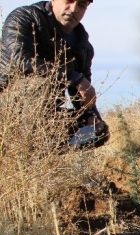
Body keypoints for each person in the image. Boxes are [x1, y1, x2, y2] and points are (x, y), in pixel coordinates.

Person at [0, 0, 108, 147]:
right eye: (69, 1)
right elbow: (20, 60)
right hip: (8, 103)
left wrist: (91, 116)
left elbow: (82, 93)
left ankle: (47, 152)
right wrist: (72, 77)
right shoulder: (24, 17)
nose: (74, 8)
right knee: (41, 84)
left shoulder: (83, 46)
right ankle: (29, 150)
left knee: (99, 131)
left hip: (46, 112)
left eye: (82, 5)